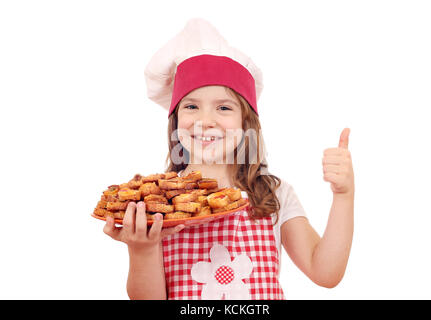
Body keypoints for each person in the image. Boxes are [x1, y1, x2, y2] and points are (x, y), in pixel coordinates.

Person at [103, 18, 355, 300]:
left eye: (223, 107)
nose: (206, 120)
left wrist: (343, 195)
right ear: (176, 120)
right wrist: (142, 250)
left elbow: (325, 272)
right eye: (191, 106)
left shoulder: (274, 194)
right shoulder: (159, 205)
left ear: (246, 122)